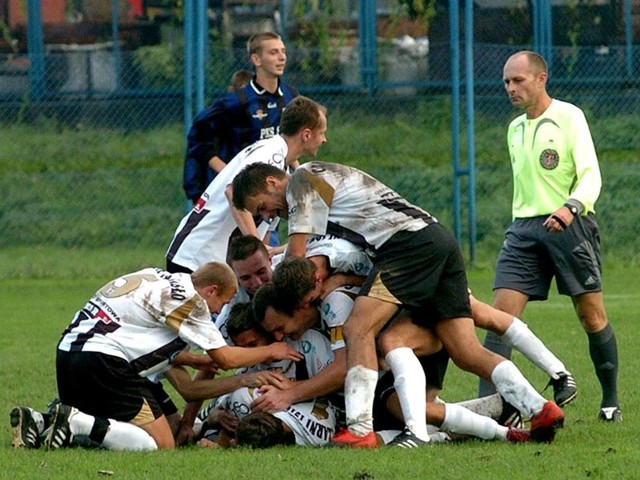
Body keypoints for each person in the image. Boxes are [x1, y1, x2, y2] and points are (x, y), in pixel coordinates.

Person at [231, 161, 566, 448]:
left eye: (261, 206)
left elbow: (297, 259)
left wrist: (276, 294)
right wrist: (337, 281)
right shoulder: (319, 184)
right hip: (435, 238)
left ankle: (361, 429)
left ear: (272, 182)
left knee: (359, 327)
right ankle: (540, 409)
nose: (267, 215)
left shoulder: (301, 182)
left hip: (405, 247)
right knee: (466, 351)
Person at [479, 50, 621, 423]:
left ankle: (610, 401)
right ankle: (492, 412)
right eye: (507, 82)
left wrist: (571, 206)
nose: (510, 88)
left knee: (591, 316)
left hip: (570, 226)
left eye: (518, 80)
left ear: (541, 79)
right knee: (498, 318)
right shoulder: (514, 129)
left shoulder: (569, 116)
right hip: (524, 230)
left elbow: (591, 175)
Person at [38, 262, 302, 451]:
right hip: (104, 361)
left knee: (175, 429)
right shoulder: (191, 303)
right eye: (221, 303)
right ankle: (77, 422)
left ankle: (46, 423)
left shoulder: (156, 275)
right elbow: (225, 359)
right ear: (210, 290)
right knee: (161, 445)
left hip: (69, 354)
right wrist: (271, 350)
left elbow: (181, 379)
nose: (217, 311)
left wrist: (197, 362)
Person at [166, 95, 327, 273]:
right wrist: (257, 250)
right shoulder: (270, 152)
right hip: (198, 256)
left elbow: (265, 228)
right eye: (322, 133)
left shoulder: (281, 172)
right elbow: (234, 191)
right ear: (306, 135)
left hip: (214, 263)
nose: (324, 139)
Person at [182, 32, 298, 205]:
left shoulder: (290, 96)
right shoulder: (236, 102)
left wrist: (299, 173)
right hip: (238, 196)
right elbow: (198, 136)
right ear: (256, 59)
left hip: (271, 194)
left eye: (283, 51)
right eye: (273, 53)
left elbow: (290, 141)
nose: (281, 57)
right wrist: (229, 174)